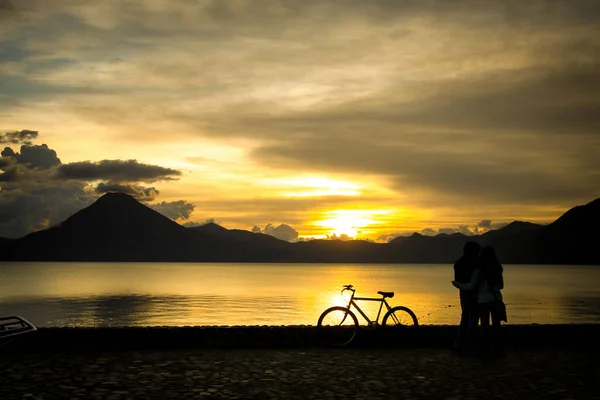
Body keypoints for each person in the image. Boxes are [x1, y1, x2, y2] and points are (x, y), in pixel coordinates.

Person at [452, 246, 505, 356]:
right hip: (496, 299)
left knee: (484, 326)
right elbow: (501, 286)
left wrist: (458, 285)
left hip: (483, 301)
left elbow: (471, 286)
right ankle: (497, 348)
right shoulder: (498, 269)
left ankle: (484, 349)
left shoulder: (479, 270)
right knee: (496, 325)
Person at [452, 241, 481, 353]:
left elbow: (457, 281)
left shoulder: (458, 264)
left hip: (463, 293)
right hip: (476, 293)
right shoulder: (477, 263)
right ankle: (471, 345)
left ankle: (460, 344)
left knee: (465, 318)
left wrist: (463, 286)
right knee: (473, 320)